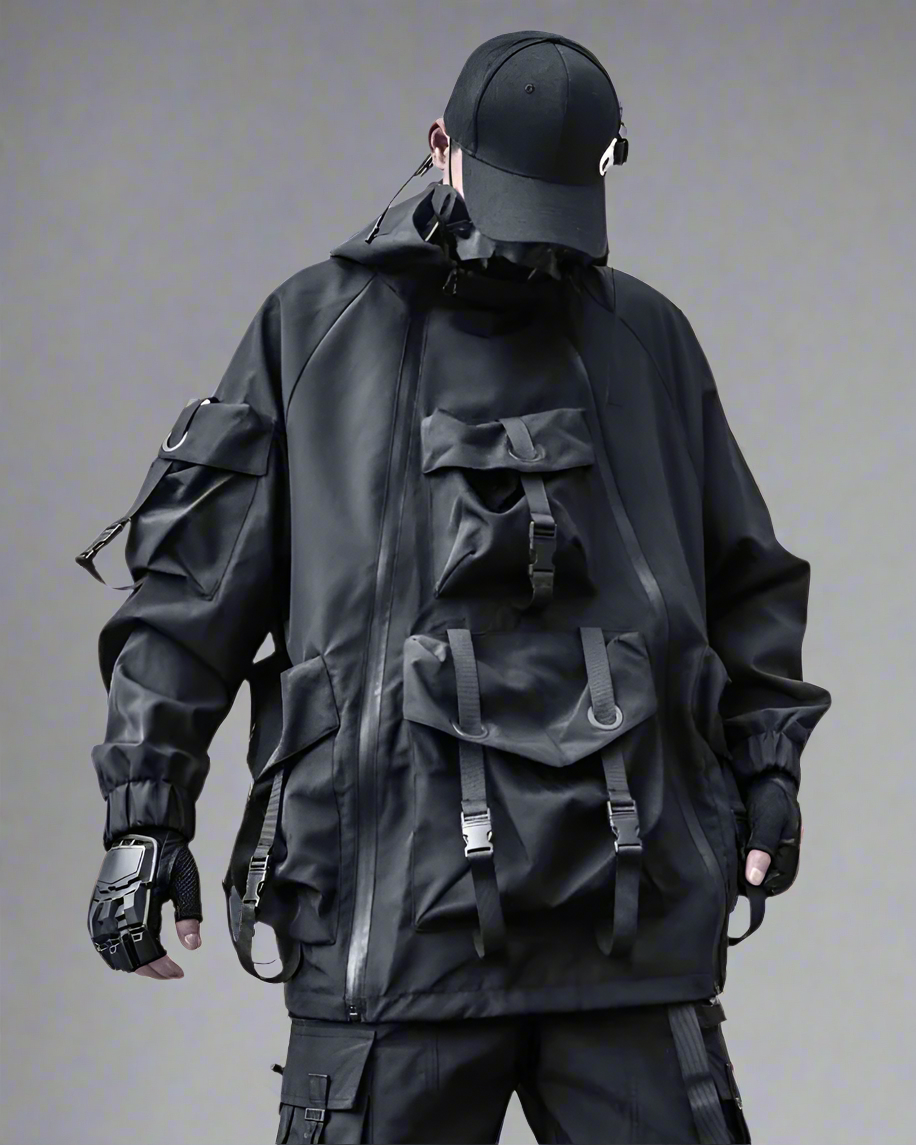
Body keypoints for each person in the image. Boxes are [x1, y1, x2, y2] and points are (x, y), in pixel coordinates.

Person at [79, 30, 831, 1145]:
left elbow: (745, 577)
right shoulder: (311, 332)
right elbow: (195, 593)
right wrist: (145, 817)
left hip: (628, 929)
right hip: (389, 926)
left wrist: (768, 767)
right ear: (440, 148)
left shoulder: (647, 339)